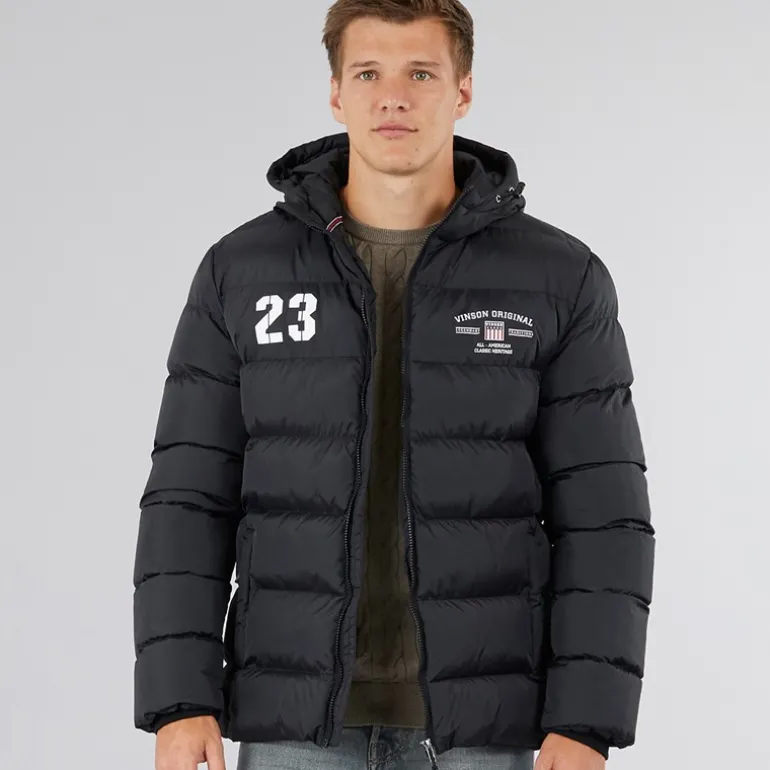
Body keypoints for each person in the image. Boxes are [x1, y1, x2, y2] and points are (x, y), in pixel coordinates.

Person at [132, 1, 655, 769]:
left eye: (421, 74)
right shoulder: (241, 272)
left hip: (484, 727)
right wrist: (181, 701)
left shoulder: (559, 278)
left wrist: (585, 722)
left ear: (463, 91)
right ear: (336, 93)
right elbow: (188, 498)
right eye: (369, 74)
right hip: (296, 722)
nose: (393, 98)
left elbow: (604, 516)